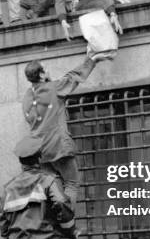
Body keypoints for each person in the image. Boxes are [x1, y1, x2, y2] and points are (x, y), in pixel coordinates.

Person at [21, 52, 103, 208]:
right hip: (58, 146)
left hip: (40, 151)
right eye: (46, 68)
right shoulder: (54, 87)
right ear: (42, 74)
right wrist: (91, 60)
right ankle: (67, 221)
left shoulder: (26, 97)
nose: (49, 70)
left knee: (52, 189)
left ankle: (55, 224)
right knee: (71, 183)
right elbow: (73, 77)